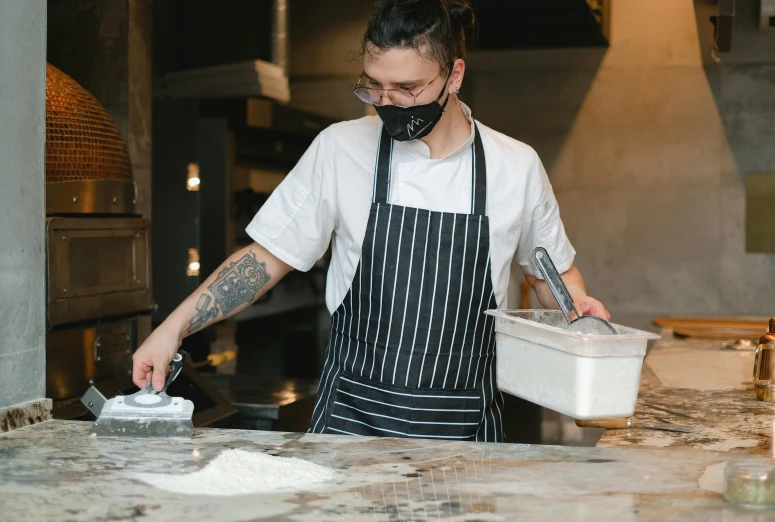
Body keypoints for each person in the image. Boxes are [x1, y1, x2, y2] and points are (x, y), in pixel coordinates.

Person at [132, 0, 610, 442]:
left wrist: (577, 309)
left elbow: (549, 272)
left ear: (454, 74)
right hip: (350, 426)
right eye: (372, 84)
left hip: (464, 436)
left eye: (406, 88)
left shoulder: (516, 166)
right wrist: (173, 327)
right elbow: (265, 258)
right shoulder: (339, 149)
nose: (386, 102)